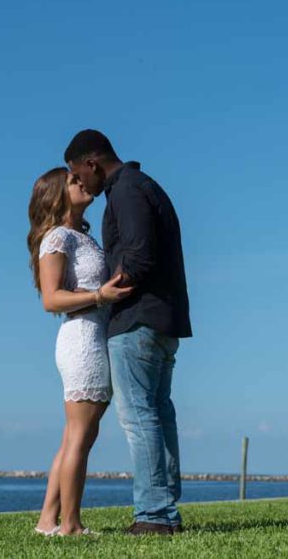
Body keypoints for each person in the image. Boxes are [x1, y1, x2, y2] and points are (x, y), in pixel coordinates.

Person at [65, 130, 192, 536]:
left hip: (137, 319)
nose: (79, 184)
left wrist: (107, 294)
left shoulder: (126, 191)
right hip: (161, 318)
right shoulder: (142, 185)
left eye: (77, 174)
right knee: (157, 410)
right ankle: (164, 507)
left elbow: (138, 254)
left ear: (92, 163)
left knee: (139, 416)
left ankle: (155, 514)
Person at [27, 168, 134, 536]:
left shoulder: (79, 237)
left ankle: (47, 520)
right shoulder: (57, 238)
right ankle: (70, 524)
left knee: (77, 436)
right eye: (74, 182)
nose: (83, 184)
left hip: (93, 334)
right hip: (82, 338)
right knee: (79, 437)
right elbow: (51, 299)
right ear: (57, 195)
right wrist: (99, 295)